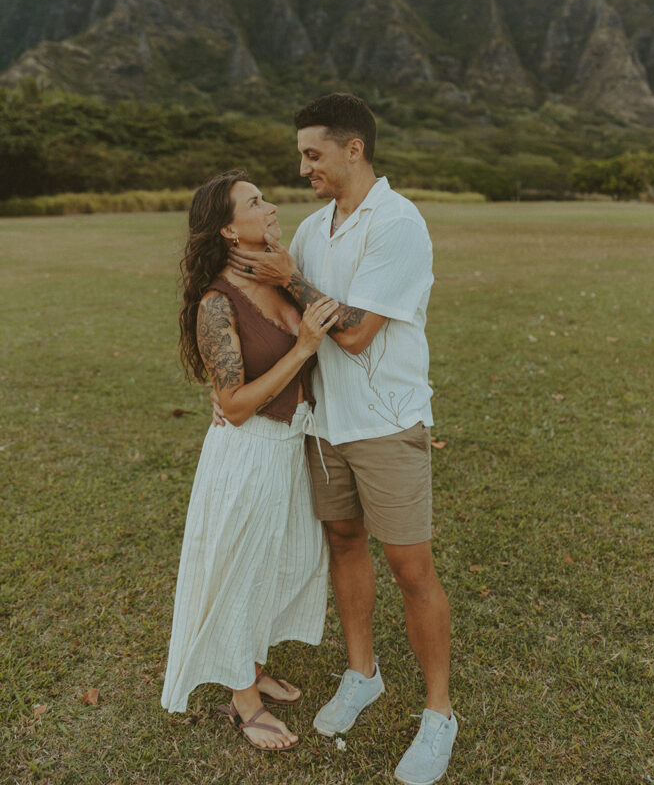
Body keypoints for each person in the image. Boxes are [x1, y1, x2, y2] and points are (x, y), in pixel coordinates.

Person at [220, 93, 458, 785]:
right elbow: (284, 316)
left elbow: (351, 334)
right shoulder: (316, 226)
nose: (303, 168)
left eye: (312, 154)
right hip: (324, 424)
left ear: (353, 150)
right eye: (301, 156)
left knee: (411, 569)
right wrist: (227, 390)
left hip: (385, 423)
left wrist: (291, 276)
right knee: (344, 545)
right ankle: (362, 674)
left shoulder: (399, 223)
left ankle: (438, 713)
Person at [161, 170, 339, 753]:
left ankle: (253, 663)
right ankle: (243, 700)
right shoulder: (217, 302)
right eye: (256, 202)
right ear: (229, 230)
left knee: (277, 567)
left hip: (292, 448)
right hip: (249, 453)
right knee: (239, 572)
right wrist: (306, 348)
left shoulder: (281, 276)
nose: (271, 207)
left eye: (265, 197)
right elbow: (233, 406)